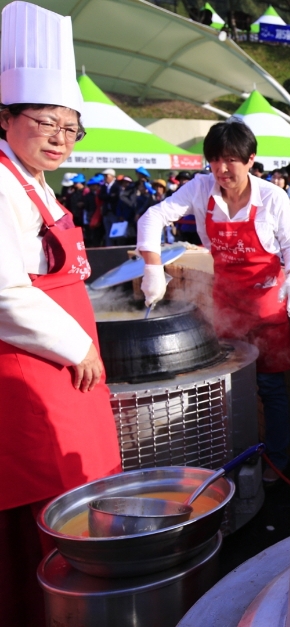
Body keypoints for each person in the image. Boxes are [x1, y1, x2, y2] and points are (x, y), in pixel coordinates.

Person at [0, 4, 122, 624]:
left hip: (62, 382)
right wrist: (78, 346)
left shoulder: (37, 183)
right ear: (6, 117)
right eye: (45, 123)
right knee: (45, 523)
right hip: (30, 381)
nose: (58, 138)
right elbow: (3, 293)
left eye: (70, 128)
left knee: (74, 507)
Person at [137, 121, 290, 482]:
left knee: (272, 388)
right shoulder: (200, 188)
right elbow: (153, 217)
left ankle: (276, 461)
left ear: (251, 160)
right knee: (223, 384)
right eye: (214, 160)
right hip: (225, 304)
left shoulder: (272, 197)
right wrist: (152, 268)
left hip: (266, 306)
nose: (222, 170)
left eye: (230, 160)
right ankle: (224, 457)